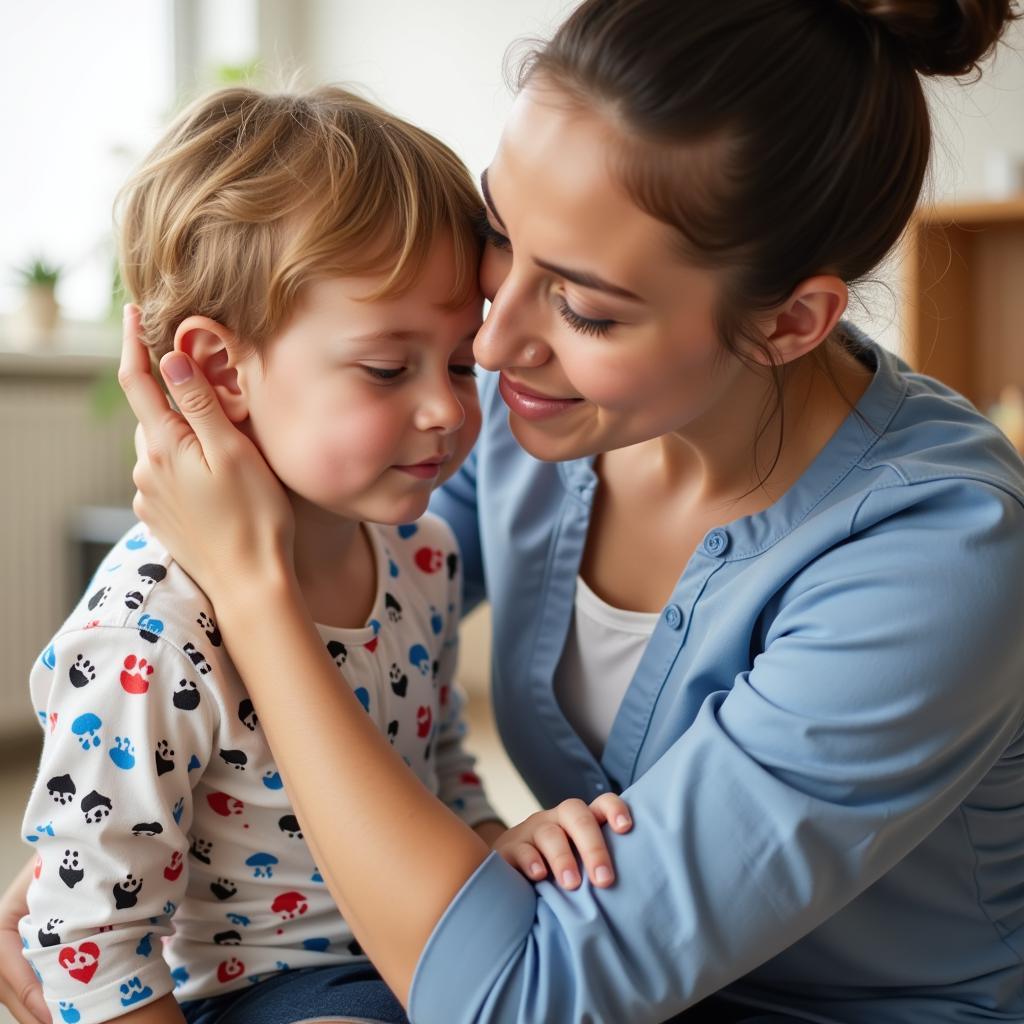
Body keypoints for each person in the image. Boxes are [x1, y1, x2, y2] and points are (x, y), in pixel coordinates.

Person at [5, 0, 1024, 1021]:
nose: (489, 350)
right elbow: (336, 552)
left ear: (790, 320)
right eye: (500, 237)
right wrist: (107, 835)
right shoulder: (523, 411)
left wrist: (251, 590)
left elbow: (515, 997)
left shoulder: (938, 553)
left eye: (584, 306)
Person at [7, 85, 631, 1024]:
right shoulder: (150, 631)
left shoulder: (420, 556)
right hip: (260, 991)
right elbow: (87, 935)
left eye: (461, 362)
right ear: (221, 370)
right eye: (389, 368)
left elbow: (437, 759)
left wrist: (496, 838)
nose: (449, 409)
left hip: (418, 942)